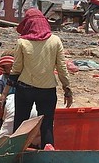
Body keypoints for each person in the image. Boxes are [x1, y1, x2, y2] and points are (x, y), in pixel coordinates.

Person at [8, 8, 73, 149]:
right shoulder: (55, 41)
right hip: (47, 90)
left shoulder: (22, 42)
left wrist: (8, 86)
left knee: (20, 124)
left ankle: (16, 154)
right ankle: (47, 154)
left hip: (25, 88)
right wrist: (67, 88)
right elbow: (62, 68)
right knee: (47, 125)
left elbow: (17, 68)